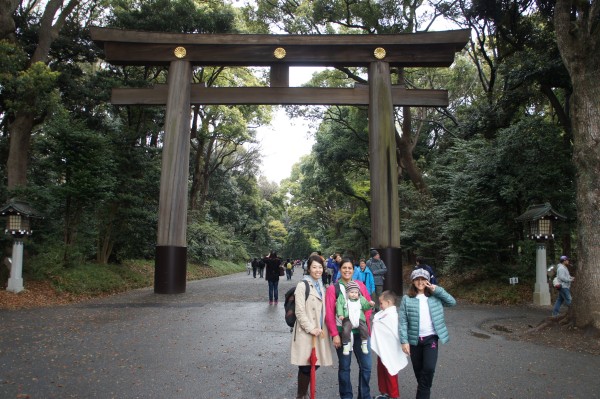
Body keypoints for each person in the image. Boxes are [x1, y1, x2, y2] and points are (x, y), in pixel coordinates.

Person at [400, 268, 456, 399]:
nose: (420, 282)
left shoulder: (435, 296)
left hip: (431, 339)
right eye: (417, 279)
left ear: (428, 280)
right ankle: (424, 392)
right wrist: (404, 341)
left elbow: (452, 302)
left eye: (423, 279)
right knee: (420, 373)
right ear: (413, 281)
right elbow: (402, 322)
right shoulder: (407, 299)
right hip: (414, 341)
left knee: (429, 369)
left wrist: (437, 290)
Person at [325, 257, 373, 399]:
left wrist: (362, 319)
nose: (347, 270)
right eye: (344, 268)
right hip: (342, 333)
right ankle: (346, 396)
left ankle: (364, 396)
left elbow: (368, 305)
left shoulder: (360, 285)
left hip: (361, 332)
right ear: (340, 270)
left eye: (350, 268)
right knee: (345, 367)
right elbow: (329, 313)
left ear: (354, 270)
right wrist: (334, 334)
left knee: (366, 366)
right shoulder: (333, 288)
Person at [290, 254, 333, 399]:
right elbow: (299, 311)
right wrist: (310, 328)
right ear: (308, 268)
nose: (318, 270)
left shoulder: (321, 285)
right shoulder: (302, 285)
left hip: (319, 330)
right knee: (305, 365)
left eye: (320, 267)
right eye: (314, 267)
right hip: (306, 331)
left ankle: (304, 391)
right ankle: (301, 395)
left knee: (316, 362)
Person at [371, 290, 408, 399]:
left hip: (390, 349)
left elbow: (395, 332)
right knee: (381, 370)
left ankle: (394, 395)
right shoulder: (384, 314)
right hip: (383, 348)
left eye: (381, 303)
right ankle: (384, 392)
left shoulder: (393, 315)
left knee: (390, 369)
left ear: (388, 302)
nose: (380, 305)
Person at [336, 280, 375, 355]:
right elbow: (339, 306)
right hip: (348, 317)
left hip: (359, 317)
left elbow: (365, 306)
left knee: (364, 328)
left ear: (358, 293)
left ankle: (364, 343)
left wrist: (370, 304)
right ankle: (346, 344)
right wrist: (340, 314)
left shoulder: (361, 298)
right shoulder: (344, 298)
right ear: (347, 292)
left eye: (356, 292)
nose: (354, 294)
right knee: (346, 329)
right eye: (351, 292)